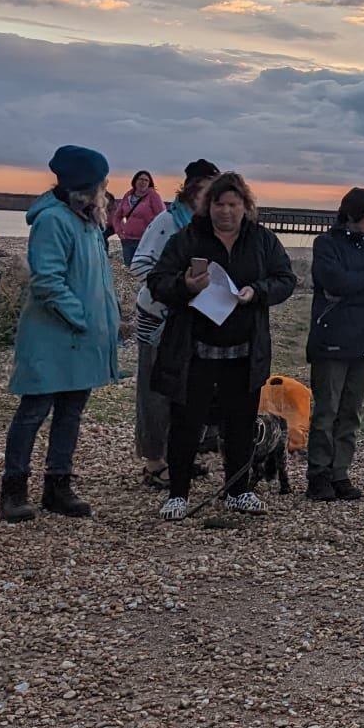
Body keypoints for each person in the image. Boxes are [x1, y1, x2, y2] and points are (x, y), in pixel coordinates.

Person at [149, 172, 297, 520]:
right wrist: (185, 285)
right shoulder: (188, 238)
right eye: (219, 203)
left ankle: (238, 490)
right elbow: (157, 282)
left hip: (244, 350)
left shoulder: (261, 240)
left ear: (246, 207)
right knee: (186, 422)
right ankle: (178, 494)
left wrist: (257, 291)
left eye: (233, 204)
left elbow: (286, 280)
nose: (226, 211)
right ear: (208, 205)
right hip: (194, 350)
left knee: (241, 423)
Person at [0, 146, 121, 524]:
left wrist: (106, 321)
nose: (105, 189)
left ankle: (58, 484)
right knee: (33, 411)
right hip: (53, 336)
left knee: (71, 413)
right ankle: (14, 490)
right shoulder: (53, 221)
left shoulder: (88, 220)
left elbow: (96, 280)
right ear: (86, 187)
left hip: (81, 339)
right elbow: (48, 281)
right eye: (101, 183)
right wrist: (81, 318)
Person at [129, 160, 220, 487]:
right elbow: (139, 264)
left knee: (186, 390)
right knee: (155, 390)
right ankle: (155, 463)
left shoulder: (205, 226)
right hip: (158, 319)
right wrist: (172, 284)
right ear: (194, 189)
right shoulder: (167, 221)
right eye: (210, 191)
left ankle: (179, 454)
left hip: (192, 319)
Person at [306, 188, 364, 502]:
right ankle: (318, 473)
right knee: (326, 410)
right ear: (354, 212)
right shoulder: (326, 244)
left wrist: (355, 286)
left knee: (351, 412)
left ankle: (340, 472)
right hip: (331, 338)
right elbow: (334, 282)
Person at [108, 171, 166, 267]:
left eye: (146, 180)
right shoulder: (128, 196)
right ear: (135, 181)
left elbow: (162, 217)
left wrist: (156, 235)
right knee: (129, 266)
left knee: (142, 268)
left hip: (145, 240)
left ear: (149, 183)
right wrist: (119, 230)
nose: (143, 182)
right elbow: (117, 216)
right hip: (127, 239)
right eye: (140, 179)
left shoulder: (153, 196)